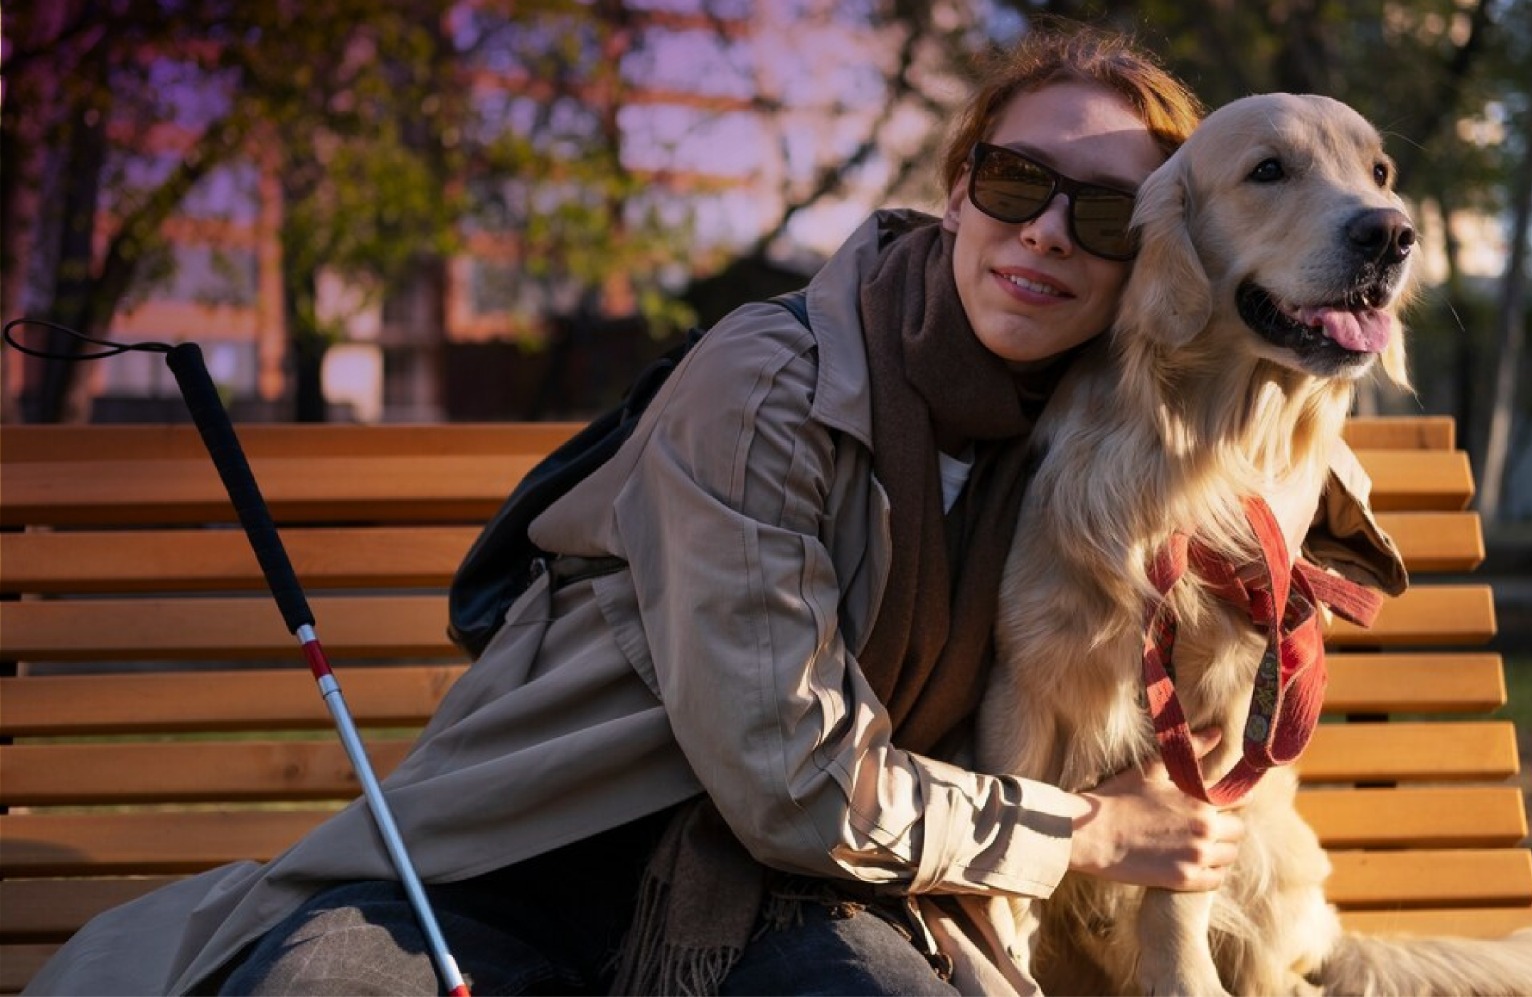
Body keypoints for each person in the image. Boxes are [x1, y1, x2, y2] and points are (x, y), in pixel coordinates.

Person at [26, 19, 1235, 997]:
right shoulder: (772, 381)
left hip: (808, 903)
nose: (1043, 233)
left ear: (1153, 252)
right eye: (1017, 180)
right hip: (516, 864)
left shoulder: (1105, 442)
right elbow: (795, 780)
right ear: (959, 186)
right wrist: (1076, 830)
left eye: (1106, 212)